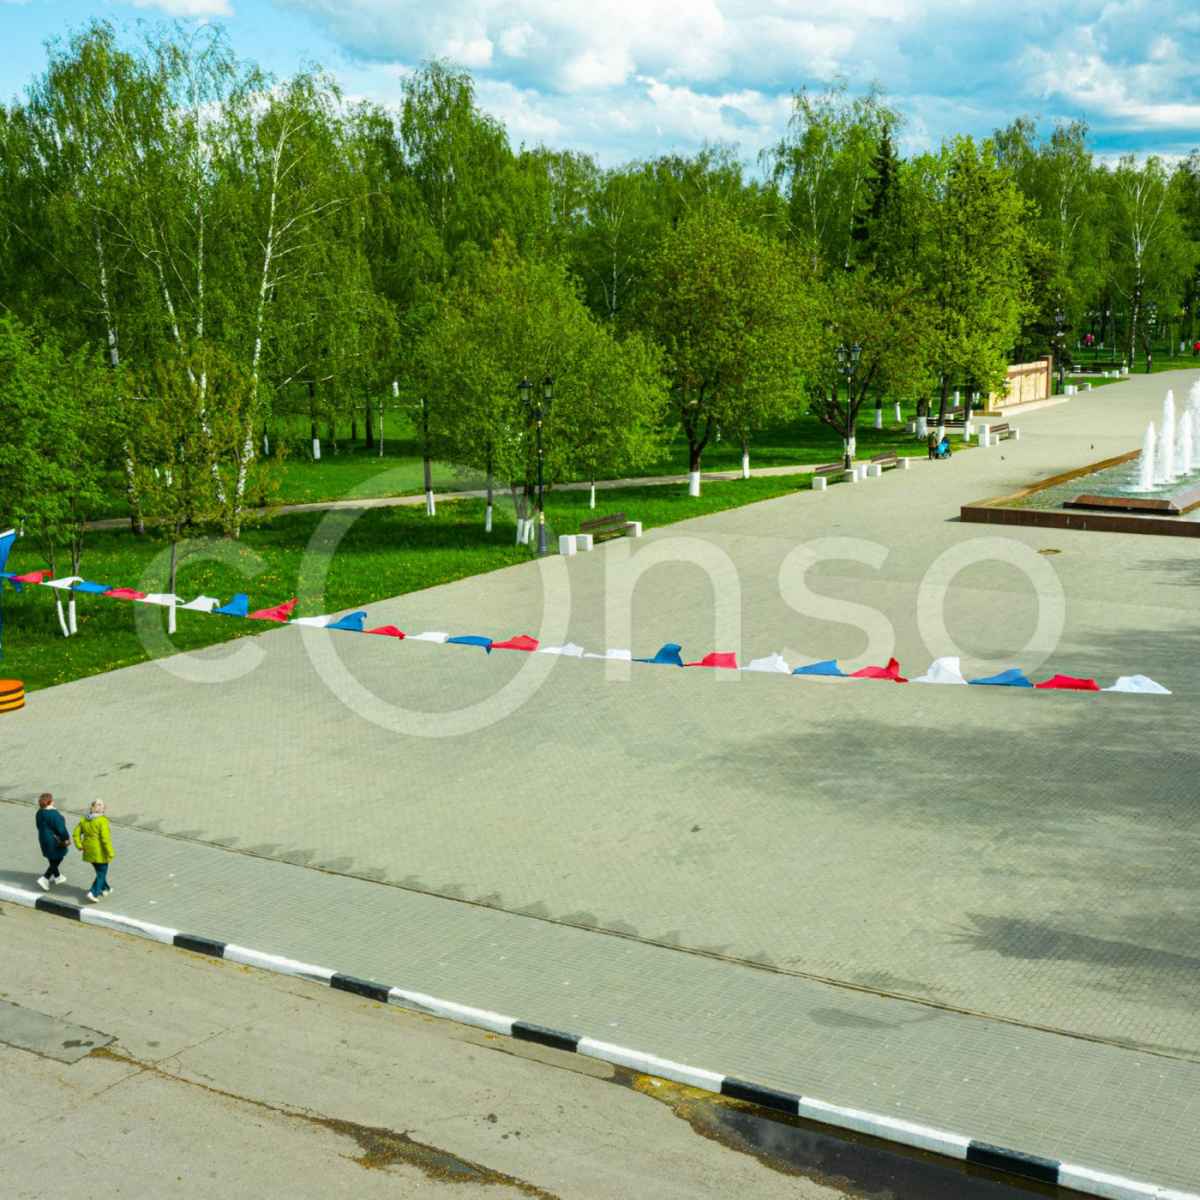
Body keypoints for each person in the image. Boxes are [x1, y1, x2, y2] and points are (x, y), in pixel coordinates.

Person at [73, 799, 115, 903]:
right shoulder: (102, 821)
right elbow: (105, 839)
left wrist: (79, 845)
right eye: (98, 805)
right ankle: (93, 892)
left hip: (88, 851)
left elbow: (76, 834)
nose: (100, 806)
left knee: (100, 871)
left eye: (101, 805)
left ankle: (105, 888)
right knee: (101, 873)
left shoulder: (84, 820)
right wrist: (110, 852)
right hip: (99, 852)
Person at [35, 793, 70, 891]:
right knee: (59, 857)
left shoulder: (39, 812)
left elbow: (38, 825)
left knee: (51, 857)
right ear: (50, 802)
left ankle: (57, 876)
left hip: (43, 838)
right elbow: (61, 829)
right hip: (54, 841)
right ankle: (45, 878)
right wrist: (66, 838)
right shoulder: (54, 814)